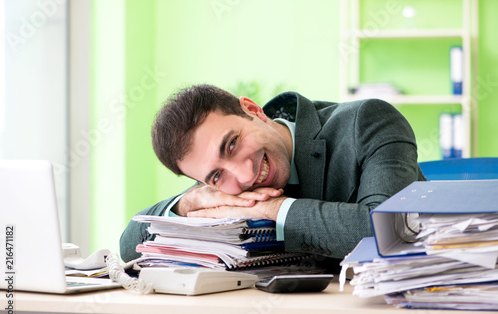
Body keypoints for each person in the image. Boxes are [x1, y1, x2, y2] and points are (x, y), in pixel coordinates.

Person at [119, 84, 426, 264]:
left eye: (232, 144)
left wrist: (271, 209)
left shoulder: (367, 122)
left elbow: (390, 231)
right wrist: (188, 204)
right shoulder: (221, 191)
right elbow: (128, 244)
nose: (245, 175)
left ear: (253, 110)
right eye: (215, 176)